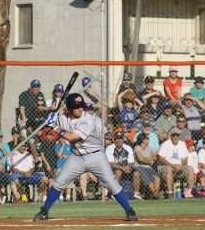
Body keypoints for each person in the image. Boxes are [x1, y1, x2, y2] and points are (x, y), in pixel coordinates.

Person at [33, 93, 138, 221]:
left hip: (96, 156)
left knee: (111, 183)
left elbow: (72, 137)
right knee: (58, 183)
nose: (80, 109)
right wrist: (50, 116)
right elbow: (48, 125)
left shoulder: (88, 119)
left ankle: (129, 210)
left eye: (81, 106)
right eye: (77, 107)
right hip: (77, 157)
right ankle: (44, 211)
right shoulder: (64, 118)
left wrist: (54, 126)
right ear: (70, 108)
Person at [158, 128, 194, 198]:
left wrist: (181, 165)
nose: (175, 137)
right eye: (173, 135)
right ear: (171, 136)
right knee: (168, 170)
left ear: (179, 136)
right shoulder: (165, 144)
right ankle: (170, 193)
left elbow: (185, 159)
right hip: (167, 166)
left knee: (190, 169)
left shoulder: (182, 144)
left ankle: (188, 192)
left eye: (177, 135)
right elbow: (161, 159)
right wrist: (172, 165)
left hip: (180, 166)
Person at [106, 131, 141, 200]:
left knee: (136, 173)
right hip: (114, 169)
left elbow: (131, 162)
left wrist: (128, 167)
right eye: (117, 139)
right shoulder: (109, 148)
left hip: (127, 168)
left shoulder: (128, 148)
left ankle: (136, 194)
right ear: (114, 140)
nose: (119, 140)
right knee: (119, 172)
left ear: (123, 139)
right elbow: (110, 163)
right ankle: (115, 194)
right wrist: (122, 168)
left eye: (120, 139)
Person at [134, 133, 160, 198]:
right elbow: (141, 159)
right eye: (147, 138)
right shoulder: (137, 148)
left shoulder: (149, 148)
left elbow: (155, 157)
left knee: (157, 178)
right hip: (139, 167)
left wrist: (147, 159)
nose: (148, 140)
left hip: (149, 167)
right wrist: (149, 159)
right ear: (143, 140)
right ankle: (155, 194)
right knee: (148, 180)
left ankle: (155, 193)